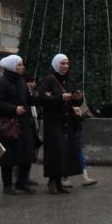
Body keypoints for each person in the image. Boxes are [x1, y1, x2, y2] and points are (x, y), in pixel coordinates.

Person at [38, 54, 84, 194]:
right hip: (53, 121)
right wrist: (60, 98)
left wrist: (78, 98)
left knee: (64, 152)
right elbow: (42, 98)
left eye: (67, 63)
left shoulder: (68, 80)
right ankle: (52, 181)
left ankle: (59, 182)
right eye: (62, 63)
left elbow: (72, 102)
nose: (65, 66)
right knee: (54, 151)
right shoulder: (49, 80)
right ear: (56, 64)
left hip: (66, 121)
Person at [0, 54, 39, 195]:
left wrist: (42, 97)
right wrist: (13, 109)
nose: (22, 67)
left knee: (27, 154)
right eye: (19, 65)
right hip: (10, 124)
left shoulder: (21, 81)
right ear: (12, 66)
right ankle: (7, 185)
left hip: (24, 123)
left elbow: (28, 99)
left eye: (22, 65)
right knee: (8, 157)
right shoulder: (2, 82)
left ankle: (22, 182)